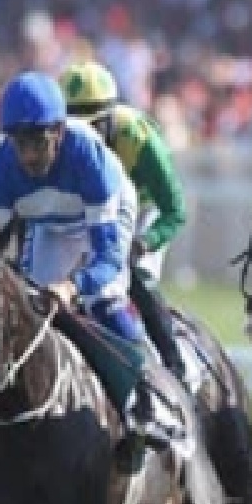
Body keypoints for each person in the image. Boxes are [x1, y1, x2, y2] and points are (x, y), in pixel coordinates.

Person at [0, 72, 183, 473]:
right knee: (26, 306)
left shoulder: (89, 158)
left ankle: (148, 397)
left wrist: (73, 286)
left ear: (58, 130)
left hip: (103, 214)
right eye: (18, 142)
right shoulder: (0, 169)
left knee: (101, 297)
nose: (28, 156)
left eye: (37, 141)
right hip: (49, 224)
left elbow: (108, 258)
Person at [57, 60, 188, 379]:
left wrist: (146, 241)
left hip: (142, 210)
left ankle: (173, 364)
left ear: (110, 120)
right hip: (94, 210)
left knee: (134, 271)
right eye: (74, 128)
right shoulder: (56, 142)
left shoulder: (140, 140)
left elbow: (174, 210)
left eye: (92, 127)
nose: (83, 140)